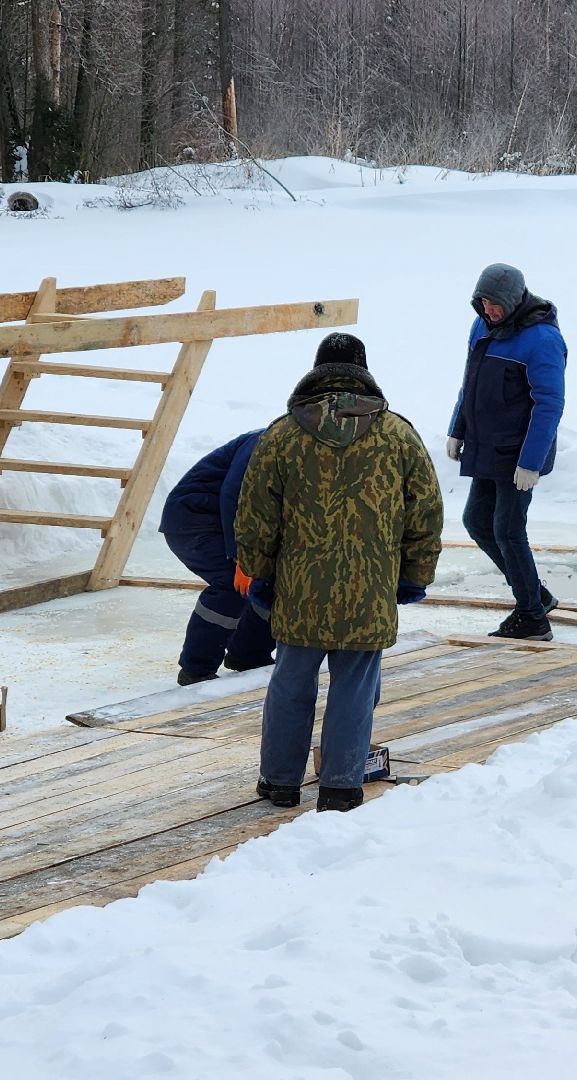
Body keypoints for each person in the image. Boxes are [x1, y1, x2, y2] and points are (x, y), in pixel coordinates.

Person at [235, 332, 443, 812]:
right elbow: (426, 512)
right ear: (363, 372)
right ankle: (341, 785)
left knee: (291, 680)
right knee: (355, 683)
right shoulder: (397, 436)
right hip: (370, 588)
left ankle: (281, 781)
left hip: (298, 588)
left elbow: (255, 516)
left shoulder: (283, 436)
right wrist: (415, 573)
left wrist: (259, 573)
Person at [446, 262, 567, 641]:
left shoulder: (543, 339)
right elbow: (470, 382)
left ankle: (532, 617)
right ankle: (535, 594)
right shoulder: (482, 326)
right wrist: (457, 428)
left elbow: (549, 404)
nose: (488, 309)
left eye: (495, 303)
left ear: (513, 301)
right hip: (486, 445)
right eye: (482, 302)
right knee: (478, 522)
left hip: (519, 453)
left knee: (508, 530)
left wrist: (530, 463)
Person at [157, 430, 277, 685]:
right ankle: (195, 670)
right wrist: (240, 556)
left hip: (227, 526)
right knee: (231, 584)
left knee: (272, 582)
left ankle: (248, 656)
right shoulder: (265, 442)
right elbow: (234, 496)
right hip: (194, 521)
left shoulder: (309, 452)